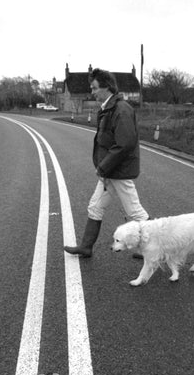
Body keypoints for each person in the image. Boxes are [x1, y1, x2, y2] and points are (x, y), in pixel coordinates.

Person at [64, 68, 149, 258]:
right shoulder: (108, 108)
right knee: (95, 207)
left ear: (107, 87)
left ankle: (153, 248)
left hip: (119, 170)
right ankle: (86, 247)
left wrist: (103, 166)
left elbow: (124, 144)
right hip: (111, 171)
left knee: (135, 212)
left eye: (94, 88)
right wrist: (104, 167)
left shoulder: (121, 110)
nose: (92, 92)